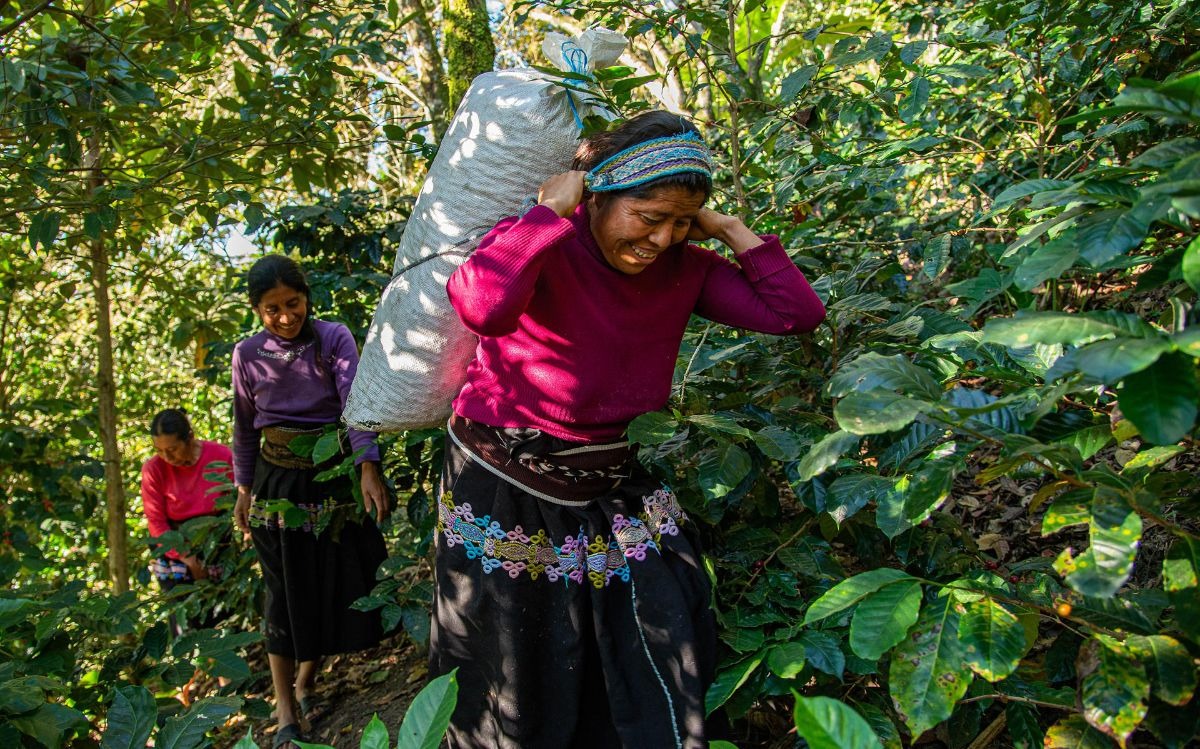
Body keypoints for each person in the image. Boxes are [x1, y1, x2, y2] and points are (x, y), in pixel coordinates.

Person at [430, 110, 827, 748]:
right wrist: (547, 216)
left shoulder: (687, 267)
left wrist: (728, 229)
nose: (662, 239)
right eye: (647, 217)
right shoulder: (541, 241)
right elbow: (481, 306)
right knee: (518, 658)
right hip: (506, 477)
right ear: (598, 197)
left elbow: (795, 314)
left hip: (609, 477)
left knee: (657, 627)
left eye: (680, 222)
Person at [230, 255, 390, 749]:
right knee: (282, 593)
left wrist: (368, 465)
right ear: (257, 310)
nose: (285, 317)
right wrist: (243, 489)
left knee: (324, 582)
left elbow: (356, 402)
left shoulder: (332, 338)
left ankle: (305, 685)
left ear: (306, 296)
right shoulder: (247, 354)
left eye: (292, 303)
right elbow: (242, 427)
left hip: (330, 477)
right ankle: (284, 712)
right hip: (275, 489)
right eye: (271, 309)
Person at [142, 408, 233, 603]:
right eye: (159, 450)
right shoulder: (154, 469)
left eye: (172, 449)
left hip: (218, 541)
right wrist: (187, 558)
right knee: (185, 613)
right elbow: (156, 521)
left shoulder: (221, 456)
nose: (167, 457)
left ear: (190, 438)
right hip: (174, 545)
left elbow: (239, 500)